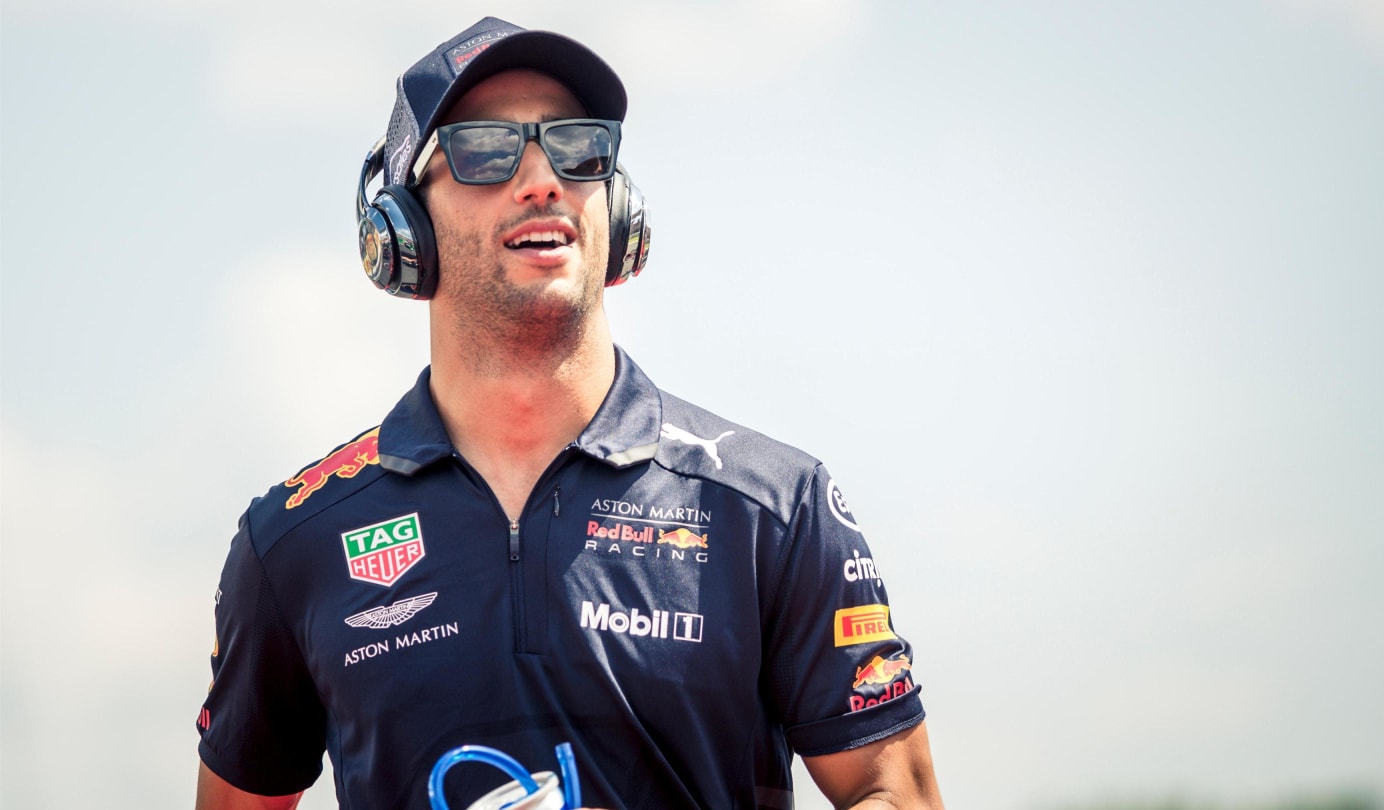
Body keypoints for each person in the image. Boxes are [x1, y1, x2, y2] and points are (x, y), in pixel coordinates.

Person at [195, 15, 942, 810]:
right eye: (485, 149)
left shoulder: (776, 507)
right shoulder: (292, 541)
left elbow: (891, 789)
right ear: (401, 229)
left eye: (578, 147)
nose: (543, 178)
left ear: (616, 208)